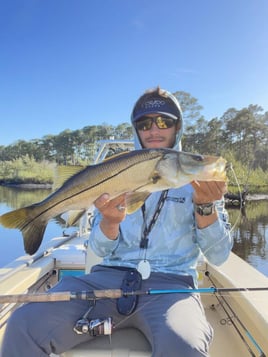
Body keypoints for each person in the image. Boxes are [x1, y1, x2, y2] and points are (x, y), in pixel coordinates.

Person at [1, 87, 232, 357]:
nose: (154, 129)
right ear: (136, 130)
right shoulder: (116, 172)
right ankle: (35, 217)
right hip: (105, 280)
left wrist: (205, 206)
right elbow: (99, 251)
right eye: (145, 123)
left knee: (186, 347)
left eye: (164, 121)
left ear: (177, 127)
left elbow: (218, 255)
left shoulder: (205, 185)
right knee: (23, 324)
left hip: (172, 287)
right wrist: (109, 223)